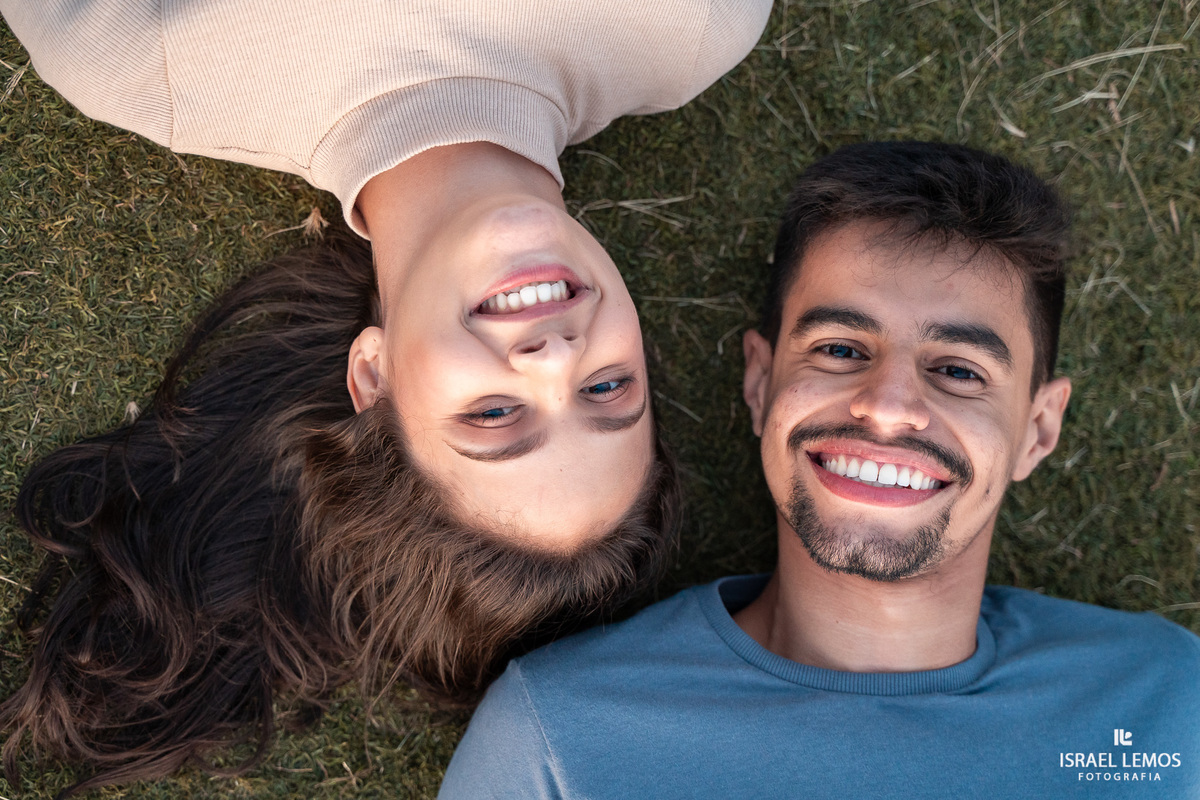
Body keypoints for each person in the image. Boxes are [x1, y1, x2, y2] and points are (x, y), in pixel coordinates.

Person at [0, 0, 770, 794]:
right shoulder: (691, 26)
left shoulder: (137, 52)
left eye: (495, 416)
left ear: (372, 379)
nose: (553, 359)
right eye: (608, 389)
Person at [439, 142, 1200, 799]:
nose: (890, 406)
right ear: (761, 384)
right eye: (840, 349)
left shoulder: (1170, 703)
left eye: (960, 371)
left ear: (1038, 430)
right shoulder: (559, 737)